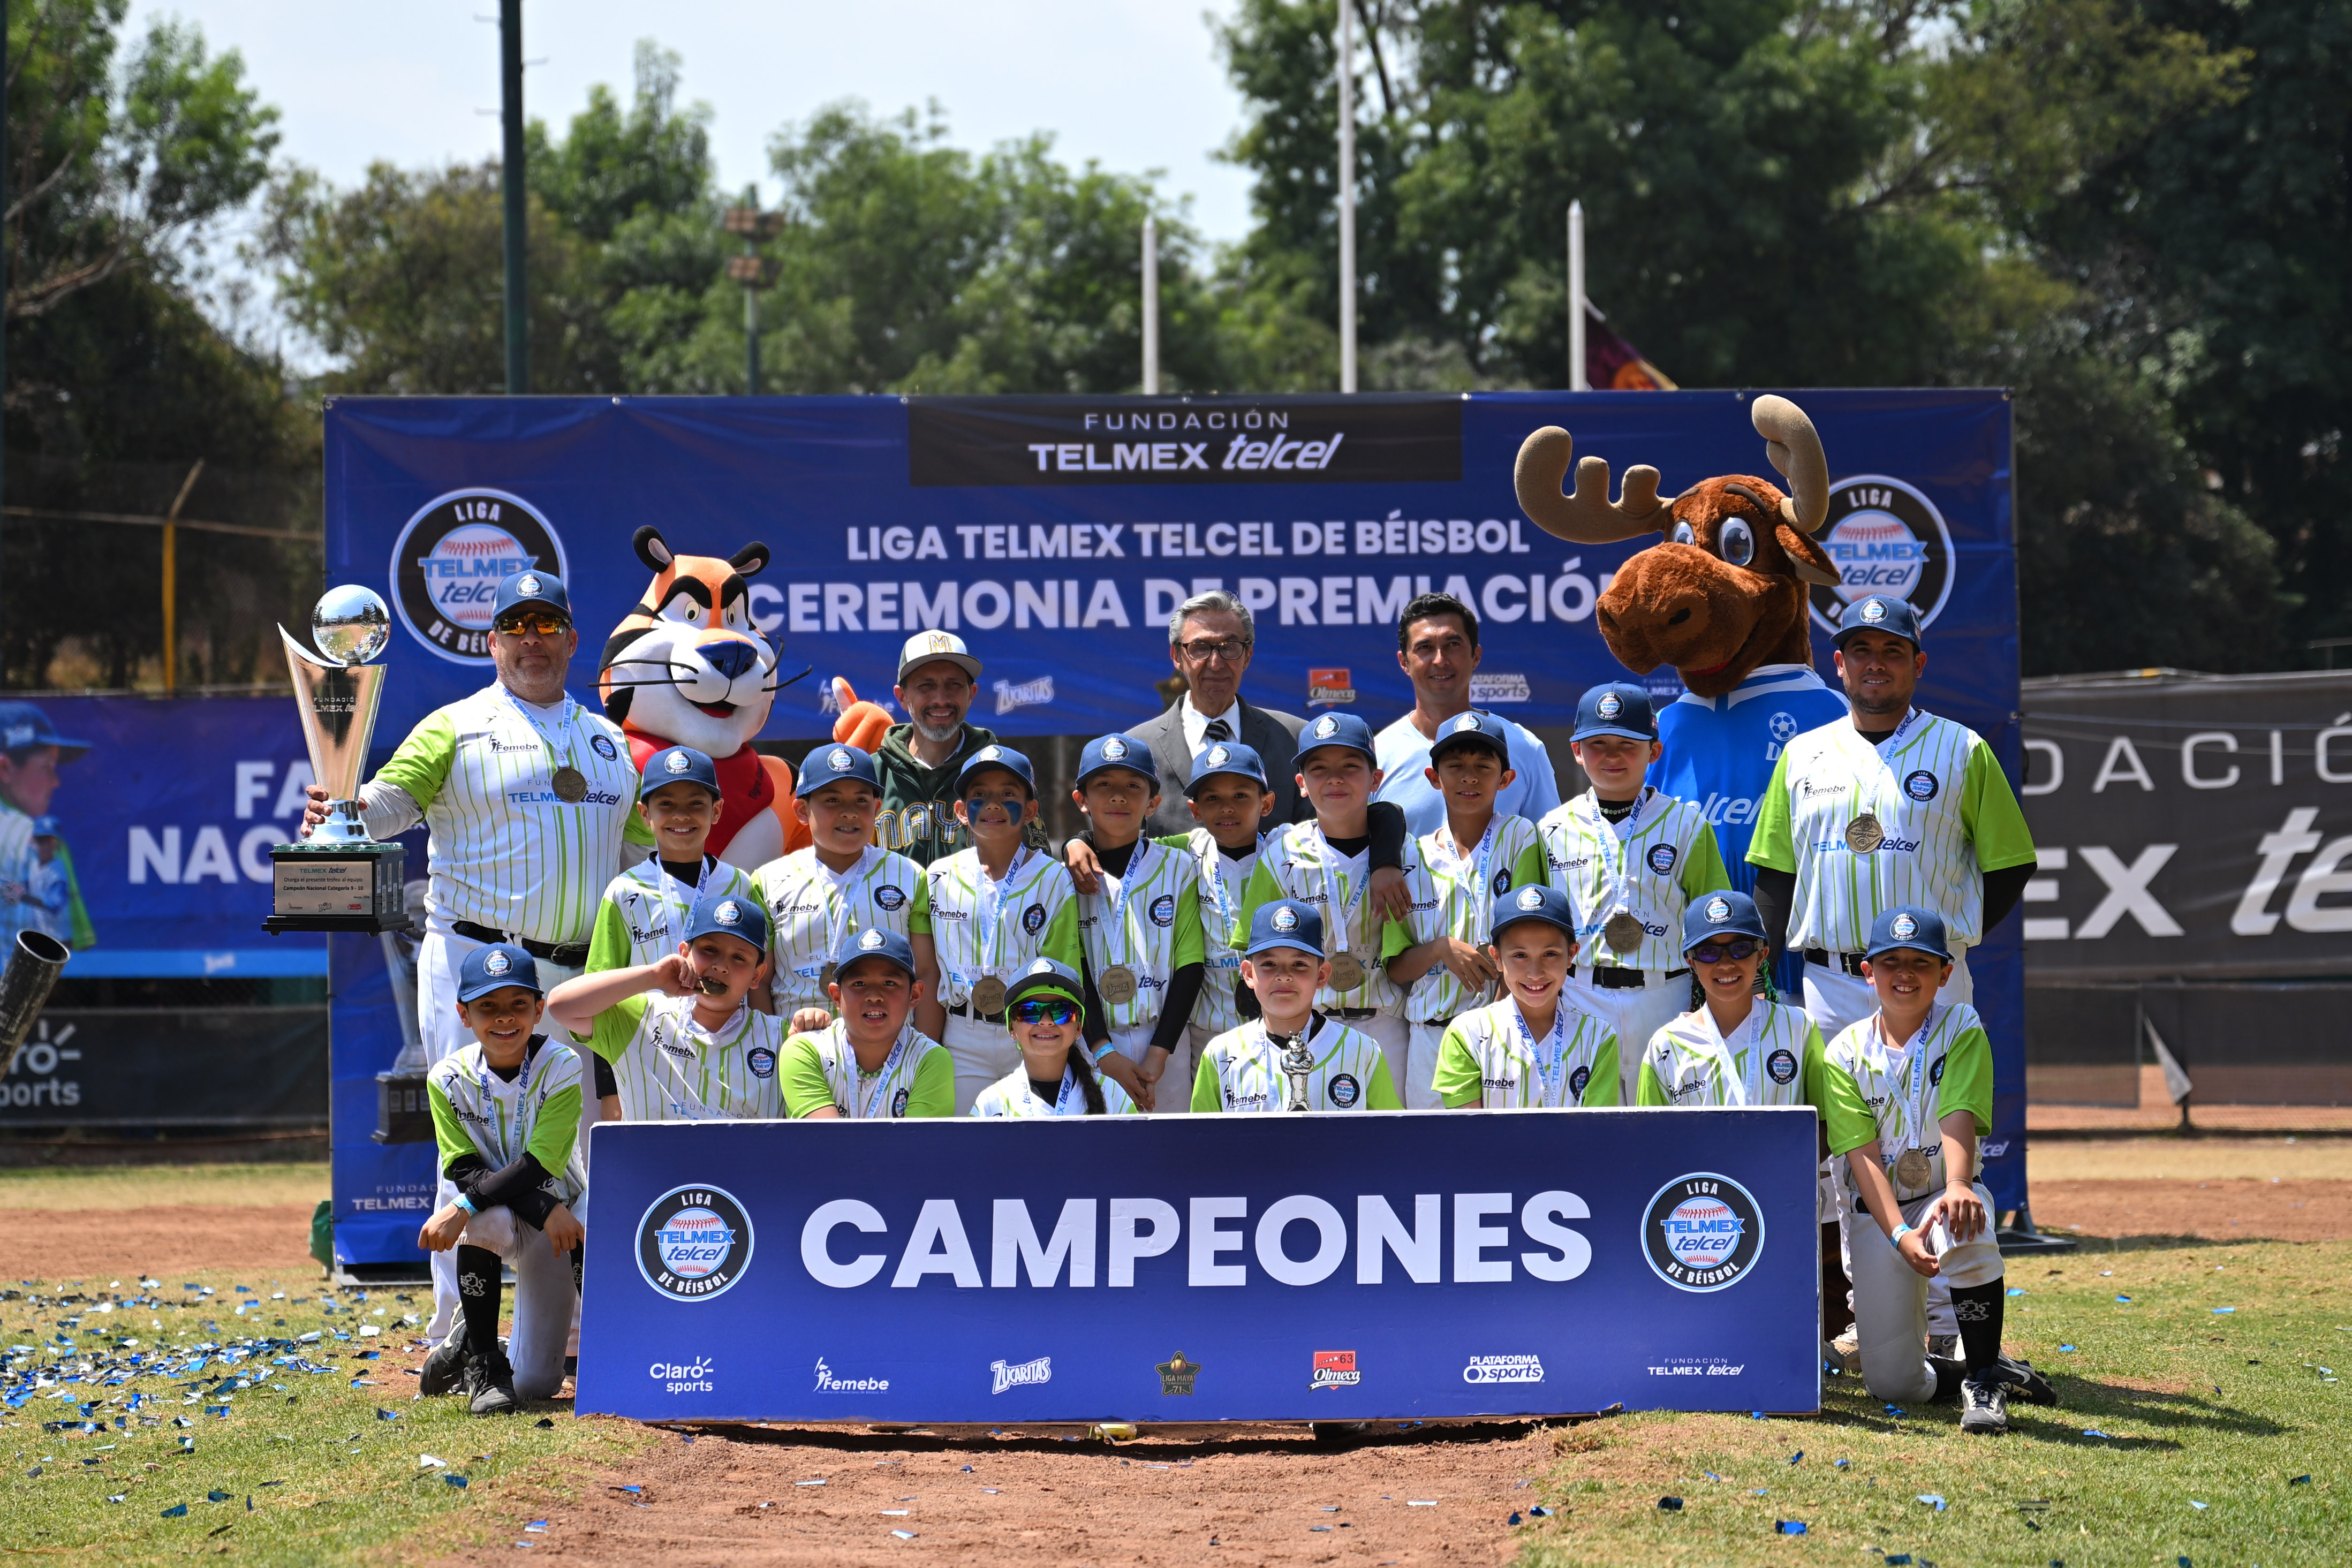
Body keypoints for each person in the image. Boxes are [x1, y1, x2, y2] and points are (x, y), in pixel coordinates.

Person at [304, 569, 646, 1346]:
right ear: (492, 642)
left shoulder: (609, 743)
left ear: (571, 640)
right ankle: (462, 1333)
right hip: (476, 964)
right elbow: (387, 806)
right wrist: (342, 808)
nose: (533, 640)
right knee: (470, 1145)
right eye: (516, 627)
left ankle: (573, 1330)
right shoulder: (452, 726)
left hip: (572, 979)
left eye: (547, 625)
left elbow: (637, 858)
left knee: (573, 1147)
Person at [1746, 595, 2037, 1359]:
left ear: (1917, 664)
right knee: (1849, 1152)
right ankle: (1864, 1317)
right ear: (1836, 663)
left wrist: (1943, 950)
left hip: (1928, 985)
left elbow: (2009, 865)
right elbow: (1773, 874)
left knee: (1939, 1149)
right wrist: (1773, 974)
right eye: (1860, 650)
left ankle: (1948, 1326)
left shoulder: (1962, 750)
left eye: (1892, 650)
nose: (1875, 663)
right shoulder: (1802, 755)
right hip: (1833, 981)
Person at [1821, 905, 2056, 1431]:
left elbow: (1958, 1112)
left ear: (1945, 974)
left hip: (1939, 1190)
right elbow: (1859, 1155)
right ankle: (1986, 1368)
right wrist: (1900, 1233)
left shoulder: (1959, 1025)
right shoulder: (1842, 1053)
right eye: (1891, 963)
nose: (1904, 975)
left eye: (1921, 964)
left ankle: (1984, 1380)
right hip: (1880, 1217)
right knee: (1894, 1385)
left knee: (1964, 1216)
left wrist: (1956, 1184)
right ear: (1868, 970)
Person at [1530, 682, 1732, 1097]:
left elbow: (1716, 922)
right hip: (1580, 992)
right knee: (1583, 1123)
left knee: (1667, 1121)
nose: (1612, 756)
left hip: (1665, 993)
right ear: (1576, 750)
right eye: (1598, 743)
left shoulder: (1688, 825)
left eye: (1628, 743)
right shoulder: (1550, 830)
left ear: (1654, 752)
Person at [413, 943, 584, 1415]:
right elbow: (463, 1166)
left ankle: (466, 1333)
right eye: (487, 1006)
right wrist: (482, 1205)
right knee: (484, 1219)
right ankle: (485, 1363)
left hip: (563, 1213)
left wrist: (462, 1205)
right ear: (464, 1014)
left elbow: (540, 1163)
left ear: (539, 1007)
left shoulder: (563, 1064)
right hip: (522, 1213)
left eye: (517, 1004)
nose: (504, 1018)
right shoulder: (446, 1077)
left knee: (534, 1384)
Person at [1234, 712, 1445, 1065]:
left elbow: (1403, 954)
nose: (1335, 779)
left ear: (1375, 778)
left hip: (1385, 1027)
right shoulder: (1280, 855)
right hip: (1302, 1026)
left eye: (1350, 766)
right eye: (1319, 769)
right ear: (1301, 782)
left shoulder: (1406, 854)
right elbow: (1252, 952)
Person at [907, 745, 1088, 1112]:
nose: (993, 804)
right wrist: (925, 1050)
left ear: (1031, 810)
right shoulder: (937, 877)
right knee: (964, 1149)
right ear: (960, 811)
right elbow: (928, 972)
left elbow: (1060, 971)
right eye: (979, 796)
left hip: (1031, 1029)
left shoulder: (1052, 878)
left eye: (1008, 795)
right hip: (961, 1035)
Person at [1401, 712, 1541, 1108]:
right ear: (1433, 777)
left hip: (1502, 1028)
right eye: (1455, 766)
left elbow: (1528, 936)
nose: (1469, 777)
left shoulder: (1519, 836)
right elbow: (1394, 965)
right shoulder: (1412, 855)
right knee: (1433, 1161)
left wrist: (1496, 1020)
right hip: (1430, 1036)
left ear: (1506, 779)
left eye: (1483, 766)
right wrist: (1439, 949)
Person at [544, 890, 785, 1122]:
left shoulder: (782, 1037)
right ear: (685, 953)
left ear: (757, 975)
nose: (721, 966)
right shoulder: (643, 1016)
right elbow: (560, 1005)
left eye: (739, 958)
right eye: (710, 950)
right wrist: (653, 976)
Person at [753, 743, 931, 1035]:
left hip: (892, 1052)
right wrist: (771, 1046)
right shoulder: (768, 880)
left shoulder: (910, 876)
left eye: (861, 800)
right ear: (801, 809)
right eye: (832, 800)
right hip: (797, 1048)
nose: (849, 813)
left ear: (876, 808)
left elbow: (925, 973)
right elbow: (759, 980)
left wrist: (924, 1049)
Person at [1067, 735, 1203, 1112]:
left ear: (1153, 803)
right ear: (1081, 800)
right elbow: (1073, 968)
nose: (1118, 796)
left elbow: (1189, 964)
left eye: (1133, 786)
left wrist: (1159, 1053)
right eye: (1103, 785)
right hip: (1092, 1041)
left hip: (1167, 1042)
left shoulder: (1178, 865)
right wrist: (1103, 1051)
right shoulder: (1065, 876)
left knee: (1169, 1157)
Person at [1373, 593, 1561, 836]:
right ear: (1404, 662)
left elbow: (1551, 851)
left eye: (1453, 645)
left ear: (1476, 656)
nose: (1440, 660)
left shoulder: (1524, 748)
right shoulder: (1377, 756)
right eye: (1425, 648)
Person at [1125, 590, 1312, 834]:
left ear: (1248, 656)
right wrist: (1078, 842)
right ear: (1177, 657)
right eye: (1200, 648)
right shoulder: (1138, 748)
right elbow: (1121, 843)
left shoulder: (1295, 739)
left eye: (1230, 647)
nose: (1215, 663)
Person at [1192, 900, 1403, 1112]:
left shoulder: (1361, 1051)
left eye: (1299, 965)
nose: (1284, 976)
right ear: (1248, 974)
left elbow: (1390, 1137)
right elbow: (1200, 1140)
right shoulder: (1221, 1054)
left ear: (1321, 975)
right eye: (1269, 964)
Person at [1430, 884, 1619, 1108]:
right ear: (1497, 958)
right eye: (1520, 955)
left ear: (1571, 955)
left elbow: (1596, 1133)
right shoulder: (1467, 1035)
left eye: (1550, 954)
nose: (1535, 973)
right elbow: (1470, 1135)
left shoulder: (1598, 1037)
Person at [1637, 891, 1824, 1108]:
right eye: (1708, 952)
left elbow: (1825, 1124)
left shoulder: (1798, 1028)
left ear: (1762, 955)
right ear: (1692, 963)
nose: (1725, 964)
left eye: (1740, 948)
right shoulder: (1665, 1047)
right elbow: (1649, 1137)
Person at [584, 746, 760, 973]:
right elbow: (601, 982)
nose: (681, 815)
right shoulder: (624, 891)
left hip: (729, 1011)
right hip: (647, 1010)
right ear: (645, 814)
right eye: (666, 804)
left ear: (716, 810)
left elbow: (756, 971)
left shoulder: (740, 884)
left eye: (696, 803)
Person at [865, 630, 1018, 866]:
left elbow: (1034, 866)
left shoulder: (1004, 772)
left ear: (971, 694)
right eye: (925, 686)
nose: (941, 698)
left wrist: (1075, 843)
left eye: (954, 685)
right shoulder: (870, 774)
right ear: (902, 697)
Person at [776, 926, 955, 1117]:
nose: (874, 996)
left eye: (890, 983)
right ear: (837, 997)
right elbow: (827, 1141)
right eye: (859, 984)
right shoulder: (805, 1050)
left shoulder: (930, 1059)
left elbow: (914, 1145)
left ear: (914, 995)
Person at [970, 957, 1137, 1116]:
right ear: (1012, 1026)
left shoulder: (1113, 1094)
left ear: (1079, 1027)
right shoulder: (992, 1103)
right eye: (1030, 1011)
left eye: (1061, 1011)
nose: (1046, 1022)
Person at [0, 702, 90, 948]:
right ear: (5, 768)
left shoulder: (41, 836)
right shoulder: (24, 834)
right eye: (46, 768)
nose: (55, 782)